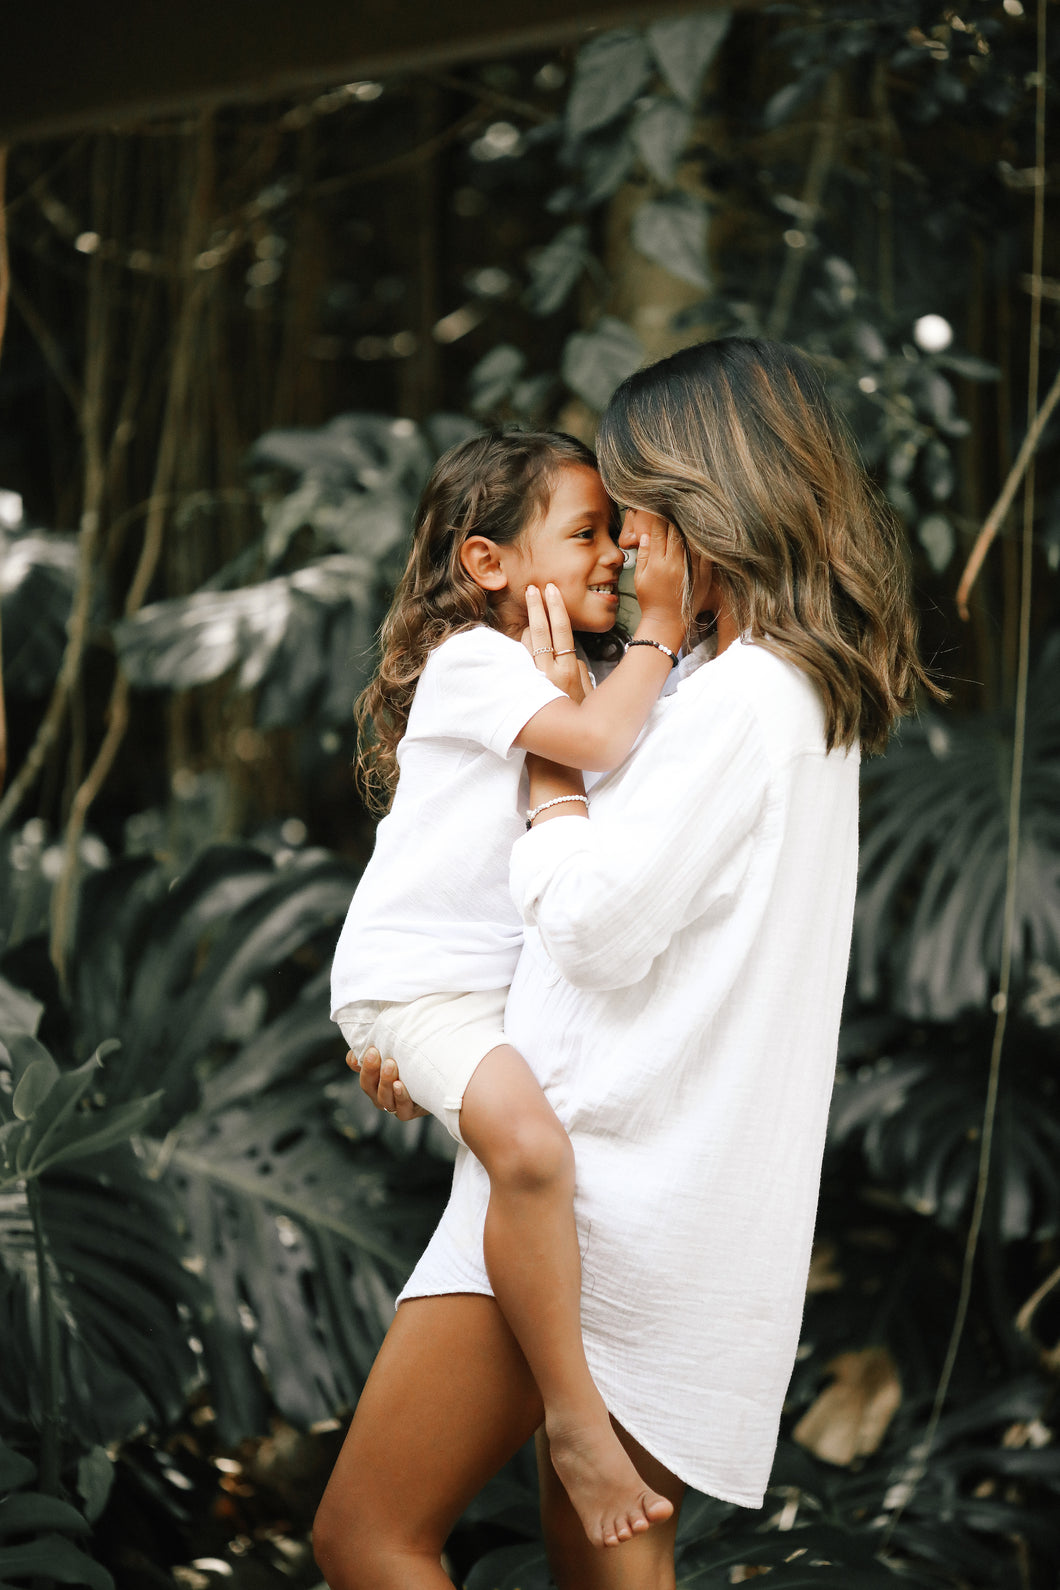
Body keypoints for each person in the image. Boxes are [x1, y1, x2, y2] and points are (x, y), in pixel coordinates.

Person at [315, 338, 936, 1590]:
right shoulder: (771, 693)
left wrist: (550, 770)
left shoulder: (738, 701)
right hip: (645, 1183)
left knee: (369, 1535)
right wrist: (451, 1045)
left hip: (598, 1194)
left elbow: (594, 924)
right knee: (600, 1563)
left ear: (712, 510)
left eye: (639, 515)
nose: (626, 552)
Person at [329, 428, 692, 1554]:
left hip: (477, 1006)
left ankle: (573, 1414)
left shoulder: (555, 677)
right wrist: (664, 633)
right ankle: (575, 1421)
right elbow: (588, 741)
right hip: (420, 995)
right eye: (584, 533)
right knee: (530, 1156)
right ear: (487, 565)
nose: (614, 559)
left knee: (530, 1157)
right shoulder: (477, 661)